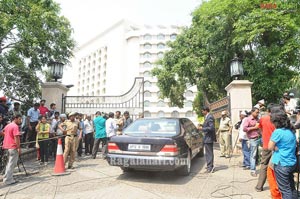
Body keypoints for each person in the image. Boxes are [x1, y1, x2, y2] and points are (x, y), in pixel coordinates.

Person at [268, 108, 297, 199]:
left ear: (276, 122)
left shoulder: (278, 132)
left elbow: (270, 147)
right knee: (292, 187)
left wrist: (277, 148)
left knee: (285, 190)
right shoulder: (291, 130)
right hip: (291, 162)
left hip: (282, 164)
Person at [255, 104, 276, 192]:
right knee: (276, 166)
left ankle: (259, 186)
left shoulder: (263, 119)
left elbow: (257, 127)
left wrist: (262, 134)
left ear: (268, 110)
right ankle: (275, 188)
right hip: (276, 146)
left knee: (264, 165)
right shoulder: (277, 119)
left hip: (266, 145)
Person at [2, 114, 22, 185]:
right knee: (12, 164)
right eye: (19, 119)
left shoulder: (8, 125)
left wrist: (8, 136)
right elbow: (16, 138)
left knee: (8, 163)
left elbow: (2, 132)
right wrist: (19, 147)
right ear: (15, 119)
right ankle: (8, 180)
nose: (20, 121)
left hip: (6, 146)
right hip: (13, 147)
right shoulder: (15, 126)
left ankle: (6, 177)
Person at [243, 107, 261, 177]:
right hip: (253, 139)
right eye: (256, 112)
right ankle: (253, 170)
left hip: (259, 137)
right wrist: (254, 128)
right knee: (253, 155)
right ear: (252, 112)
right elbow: (244, 129)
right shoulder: (248, 119)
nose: (257, 113)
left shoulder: (258, 119)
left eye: (258, 112)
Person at [198, 106, 216, 173]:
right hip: (207, 137)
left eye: (202, 111)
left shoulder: (210, 117)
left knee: (209, 153)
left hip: (209, 138)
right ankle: (210, 165)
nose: (202, 112)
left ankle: (210, 167)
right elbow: (207, 125)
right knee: (208, 153)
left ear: (206, 110)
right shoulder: (207, 117)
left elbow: (211, 128)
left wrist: (202, 129)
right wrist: (202, 125)